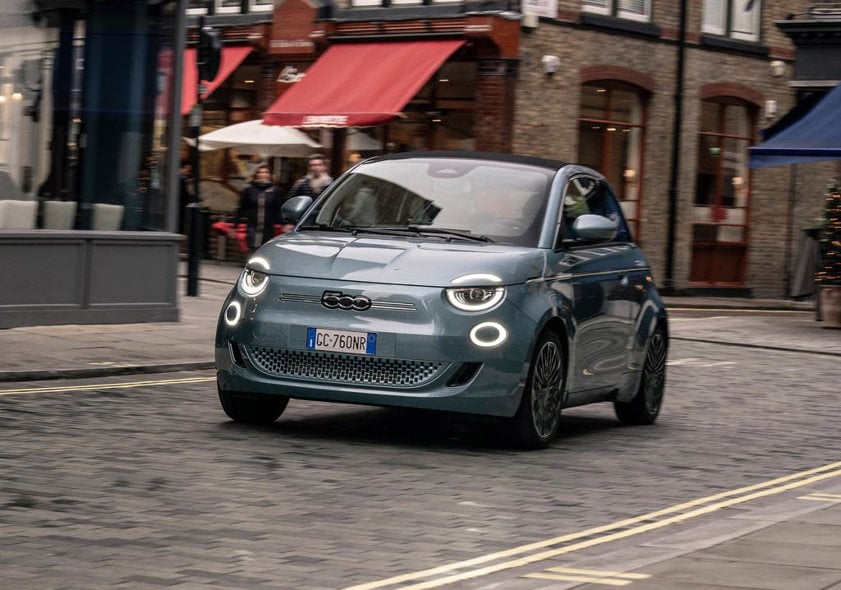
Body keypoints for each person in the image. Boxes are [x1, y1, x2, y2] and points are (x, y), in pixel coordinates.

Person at [235, 164, 283, 251]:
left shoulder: (275, 190)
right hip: (252, 226)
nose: (262, 174)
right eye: (260, 172)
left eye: (265, 172)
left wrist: (283, 223)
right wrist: (235, 224)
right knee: (252, 250)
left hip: (268, 228)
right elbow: (241, 207)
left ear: (269, 175)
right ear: (256, 175)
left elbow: (278, 209)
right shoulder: (249, 189)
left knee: (266, 250)